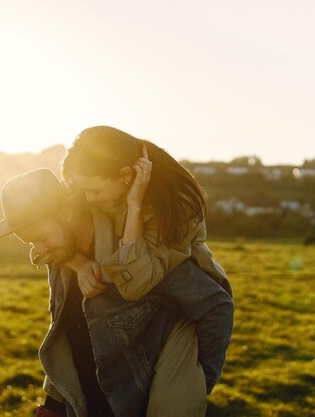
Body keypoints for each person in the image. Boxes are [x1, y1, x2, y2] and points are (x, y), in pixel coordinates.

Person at [0, 168, 233, 417]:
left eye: (40, 238)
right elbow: (64, 336)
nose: (39, 252)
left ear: (65, 213)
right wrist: (53, 407)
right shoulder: (60, 255)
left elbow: (216, 306)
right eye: (31, 243)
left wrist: (199, 382)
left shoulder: (136, 252)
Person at [60, 126, 233, 390]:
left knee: (175, 402)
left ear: (127, 176)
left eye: (95, 191)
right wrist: (78, 263)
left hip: (176, 289)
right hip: (121, 295)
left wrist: (135, 207)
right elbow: (41, 235)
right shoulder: (89, 187)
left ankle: (197, 389)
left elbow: (136, 285)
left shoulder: (179, 204)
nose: (87, 198)